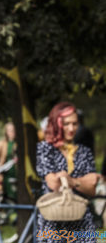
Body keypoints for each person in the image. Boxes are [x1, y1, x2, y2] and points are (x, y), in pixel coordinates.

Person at [36, 102, 100, 242]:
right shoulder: (45, 149)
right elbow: (53, 184)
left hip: (82, 223)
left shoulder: (84, 152)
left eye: (75, 123)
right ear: (56, 124)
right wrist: (81, 182)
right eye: (66, 124)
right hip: (53, 224)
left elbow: (92, 188)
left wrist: (70, 180)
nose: (71, 128)